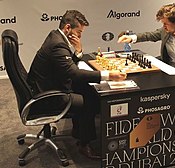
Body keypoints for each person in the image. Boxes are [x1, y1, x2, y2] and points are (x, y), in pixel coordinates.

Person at [27, 10, 127, 160]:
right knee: (91, 101)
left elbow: (67, 68)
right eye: (78, 32)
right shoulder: (58, 45)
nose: (80, 35)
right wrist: (109, 75)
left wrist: (78, 51)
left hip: (47, 86)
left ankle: (79, 132)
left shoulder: (55, 36)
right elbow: (74, 74)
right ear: (68, 28)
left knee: (86, 89)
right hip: (48, 96)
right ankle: (84, 145)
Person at [117, 3, 175, 78]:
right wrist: (132, 38)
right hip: (167, 67)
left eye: (166, 23)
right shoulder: (165, 31)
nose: (164, 27)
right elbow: (150, 35)